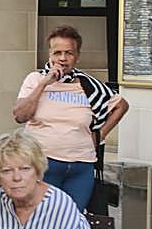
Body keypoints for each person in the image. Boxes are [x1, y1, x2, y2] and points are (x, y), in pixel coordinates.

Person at [12, 26, 125, 213]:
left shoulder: (88, 84)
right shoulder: (35, 79)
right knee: (42, 219)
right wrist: (44, 83)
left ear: (77, 56)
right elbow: (20, 115)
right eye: (57, 53)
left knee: (71, 220)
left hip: (81, 166)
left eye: (69, 53)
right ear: (49, 54)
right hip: (43, 163)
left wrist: (101, 135)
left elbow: (121, 106)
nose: (63, 59)